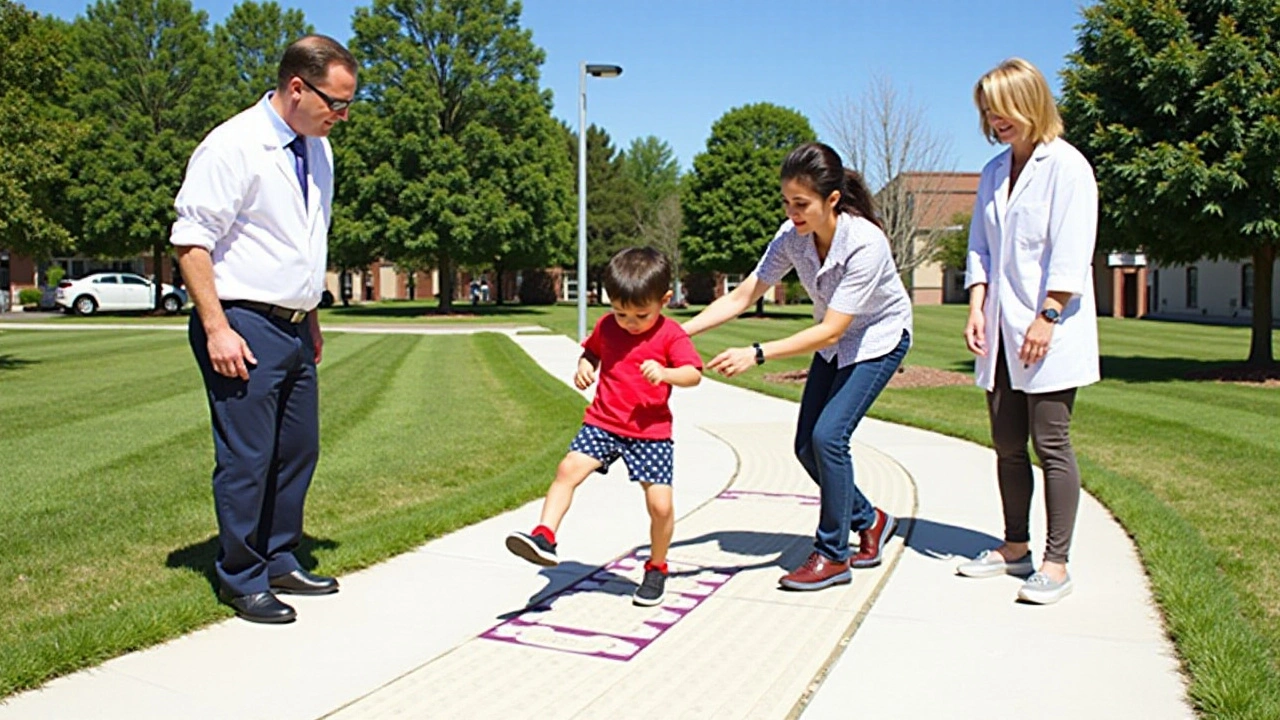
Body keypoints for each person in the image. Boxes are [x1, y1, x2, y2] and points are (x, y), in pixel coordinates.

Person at [170, 35, 357, 624]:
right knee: (247, 457)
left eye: (349, 104)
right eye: (335, 102)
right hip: (241, 320)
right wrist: (217, 327)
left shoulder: (319, 150)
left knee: (297, 452)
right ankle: (241, 576)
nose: (341, 116)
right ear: (297, 87)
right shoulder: (234, 146)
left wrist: (313, 317)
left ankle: (280, 557)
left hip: (295, 325)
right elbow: (191, 240)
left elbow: (305, 243)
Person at [682, 142, 913, 592]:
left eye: (801, 204)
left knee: (829, 437)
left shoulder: (866, 243)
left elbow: (831, 330)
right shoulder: (792, 238)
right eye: (786, 202)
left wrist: (758, 352)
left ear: (832, 199)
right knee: (806, 446)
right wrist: (677, 334)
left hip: (878, 340)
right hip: (835, 342)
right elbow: (743, 295)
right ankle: (871, 519)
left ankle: (832, 554)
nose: (792, 212)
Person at [955, 58, 1099, 605]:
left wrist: (1049, 315)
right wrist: (975, 304)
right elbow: (980, 248)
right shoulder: (994, 172)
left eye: (1002, 110)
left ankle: (1056, 563)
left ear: (1030, 103)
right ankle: (1015, 546)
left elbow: (1071, 249)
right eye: (988, 112)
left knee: (1052, 442)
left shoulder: (1068, 168)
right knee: (1007, 443)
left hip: (1050, 329)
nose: (994, 121)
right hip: (999, 329)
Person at [506, 247, 703, 606]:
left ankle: (656, 567)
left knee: (660, 506)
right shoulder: (607, 327)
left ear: (665, 300)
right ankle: (544, 536)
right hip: (604, 421)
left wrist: (666, 373)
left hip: (650, 432)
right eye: (619, 312)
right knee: (568, 469)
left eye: (640, 314)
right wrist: (586, 364)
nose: (628, 322)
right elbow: (593, 351)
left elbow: (693, 374)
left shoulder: (671, 335)